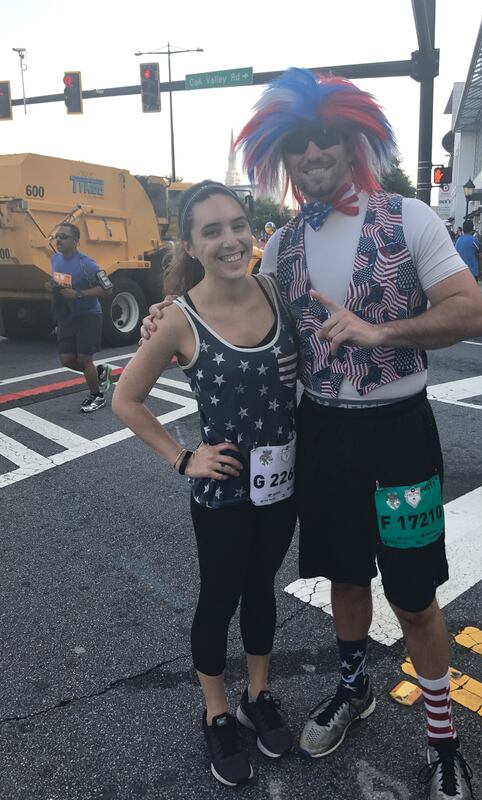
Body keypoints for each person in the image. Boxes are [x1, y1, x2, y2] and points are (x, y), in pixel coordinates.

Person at [143, 68, 482, 800]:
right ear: (282, 156)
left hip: (400, 434)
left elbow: (471, 312)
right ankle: (354, 687)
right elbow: (225, 295)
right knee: (345, 575)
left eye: (326, 136)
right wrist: (161, 316)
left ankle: (443, 738)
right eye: (297, 143)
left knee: (417, 595)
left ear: (353, 137)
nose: (313, 153)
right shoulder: (286, 245)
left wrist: (380, 329)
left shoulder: (409, 218)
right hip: (321, 434)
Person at [114, 181, 298, 787]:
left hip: (280, 483)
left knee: (263, 589)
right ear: (190, 244)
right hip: (222, 493)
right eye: (213, 230)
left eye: (239, 225)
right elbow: (126, 399)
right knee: (220, 596)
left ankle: (259, 695)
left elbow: (300, 355)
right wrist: (182, 457)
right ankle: (217, 712)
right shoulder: (175, 319)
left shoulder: (274, 289)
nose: (231, 240)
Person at [45, 223, 113, 412]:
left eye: (63, 237)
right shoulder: (55, 259)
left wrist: (78, 294)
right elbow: (60, 280)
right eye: (56, 236)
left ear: (75, 241)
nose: (58, 240)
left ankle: (97, 396)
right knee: (66, 360)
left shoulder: (87, 264)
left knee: (84, 359)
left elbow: (108, 288)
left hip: (88, 316)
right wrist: (51, 285)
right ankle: (100, 372)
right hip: (67, 316)